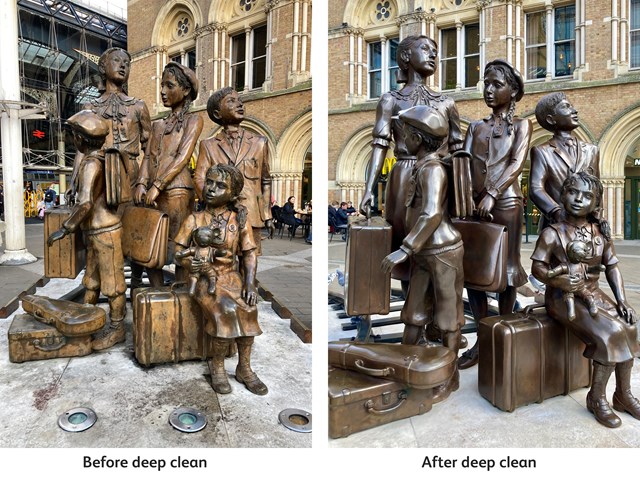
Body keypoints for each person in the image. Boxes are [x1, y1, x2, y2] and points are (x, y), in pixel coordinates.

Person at [531, 171, 640, 428]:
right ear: (562, 194)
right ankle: (596, 398)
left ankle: (623, 394)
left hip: (594, 293)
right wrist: (557, 280)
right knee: (611, 332)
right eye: (573, 192)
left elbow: (612, 267)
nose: (579, 200)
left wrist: (622, 301)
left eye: (587, 196)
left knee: (632, 327)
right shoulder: (553, 233)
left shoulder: (599, 232)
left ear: (596, 203)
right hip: (562, 298)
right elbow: (537, 268)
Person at [359, 35, 464, 283]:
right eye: (425, 49)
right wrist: (368, 189)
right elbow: (380, 144)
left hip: (437, 174)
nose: (433, 54)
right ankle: (411, 299)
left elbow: (458, 148)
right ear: (405, 56)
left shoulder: (447, 102)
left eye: (435, 51)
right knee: (403, 239)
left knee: (434, 237)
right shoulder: (390, 100)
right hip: (403, 174)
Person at [381, 105, 463, 395]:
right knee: (413, 311)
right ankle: (404, 366)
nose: (402, 140)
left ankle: (449, 377)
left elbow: (431, 214)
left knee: (447, 317)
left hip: (442, 252)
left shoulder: (433, 169)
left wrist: (405, 248)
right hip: (424, 254)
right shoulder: (420, 165)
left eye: (405, 134)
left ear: (417, 137)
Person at [458, 59, 531, 369]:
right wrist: (463, 199)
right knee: (473, 272)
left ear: (512, 91)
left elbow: (516, 164)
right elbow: (463, 164)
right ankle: (482, 337)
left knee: (507, 270)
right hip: (473, 206)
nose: (489, 90)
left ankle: (503, 331)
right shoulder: (475, 126)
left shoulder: (523, 125)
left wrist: (492, 193)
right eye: (485, 84)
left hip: (505, 204)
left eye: (496, 84)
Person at [175, 164, 267, 396]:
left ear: (233, 195)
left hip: (232, 278)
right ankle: (217, 366)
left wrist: (249, 283)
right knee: (225, 309)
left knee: (249, 307)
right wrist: (189, 263)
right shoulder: (194, 219)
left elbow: (249, 254)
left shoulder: (239, 220)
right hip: (204, 277)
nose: (211, 189)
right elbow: (177, 252)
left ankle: (244, 368)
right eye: (210, 182)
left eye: (220, 186)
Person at [47, 110, 127, 350]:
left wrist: (66, 228)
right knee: (91, 279)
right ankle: (87, 318)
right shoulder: (99, 159)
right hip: (97, 231)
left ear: (81, 139)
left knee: (113, 284)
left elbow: (85, 203)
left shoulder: (92, 163)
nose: (73, 140)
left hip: (105, 230)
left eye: (73, 135)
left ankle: (117, 327)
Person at [134, 62, 203, 286]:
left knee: (179, 244)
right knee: (151, 241)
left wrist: (157, 186)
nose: (163, 91)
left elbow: (182, 156)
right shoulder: (157, 125)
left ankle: (181, 292)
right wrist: (142, 183)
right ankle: (157, 291)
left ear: (185, 91)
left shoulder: (194, 120)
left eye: (169, 86)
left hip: (177, 191)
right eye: (161, 85)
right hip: (152, 192)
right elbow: (147, 157)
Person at [195, 87, 272, 255]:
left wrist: (267, 213)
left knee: (249, 256)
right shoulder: (208, 145)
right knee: (221, 255)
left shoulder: (260, 142)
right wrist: (212, 203)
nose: (239, 104)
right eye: (231, 101)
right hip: (220, 214)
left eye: (240, 101)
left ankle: (249, 282)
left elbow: (265, 180)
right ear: (217, 114)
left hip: (251, 211)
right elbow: (199, 179)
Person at [529, 92, 600, 233]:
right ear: (551, 119)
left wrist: (598, 218)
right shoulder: (542, 151)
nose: (574, 110)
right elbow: (535, 188)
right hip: (556, 226)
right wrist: (556, 212)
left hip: (586, 225)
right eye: (566, 107)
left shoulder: (592, 151)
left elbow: (597, 188)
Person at [545, 240, 605, 320]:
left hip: (581, 287)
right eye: (583, 251)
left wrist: (597, 268)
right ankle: (571, 311)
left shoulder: (582, 265)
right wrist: (552, 272)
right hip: (569, 288)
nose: (585, 254)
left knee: (588, 296)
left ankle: (592, 305)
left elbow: (590, 269)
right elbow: (559, 269)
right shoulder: (566, 266)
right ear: (573, 252)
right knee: (569, 297)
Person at [174, 226, 226, 296]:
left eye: (207, 236)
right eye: (200, 236)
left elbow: (217, 252)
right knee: (193, 276)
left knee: (212, 275)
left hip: (208, 268)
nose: (203, 239)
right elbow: (187, 251)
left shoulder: (210, 250)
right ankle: (192, 288)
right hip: (197, 268)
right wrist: (181, 254)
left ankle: (212, 286)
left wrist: (222, 252)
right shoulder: (195, 249)